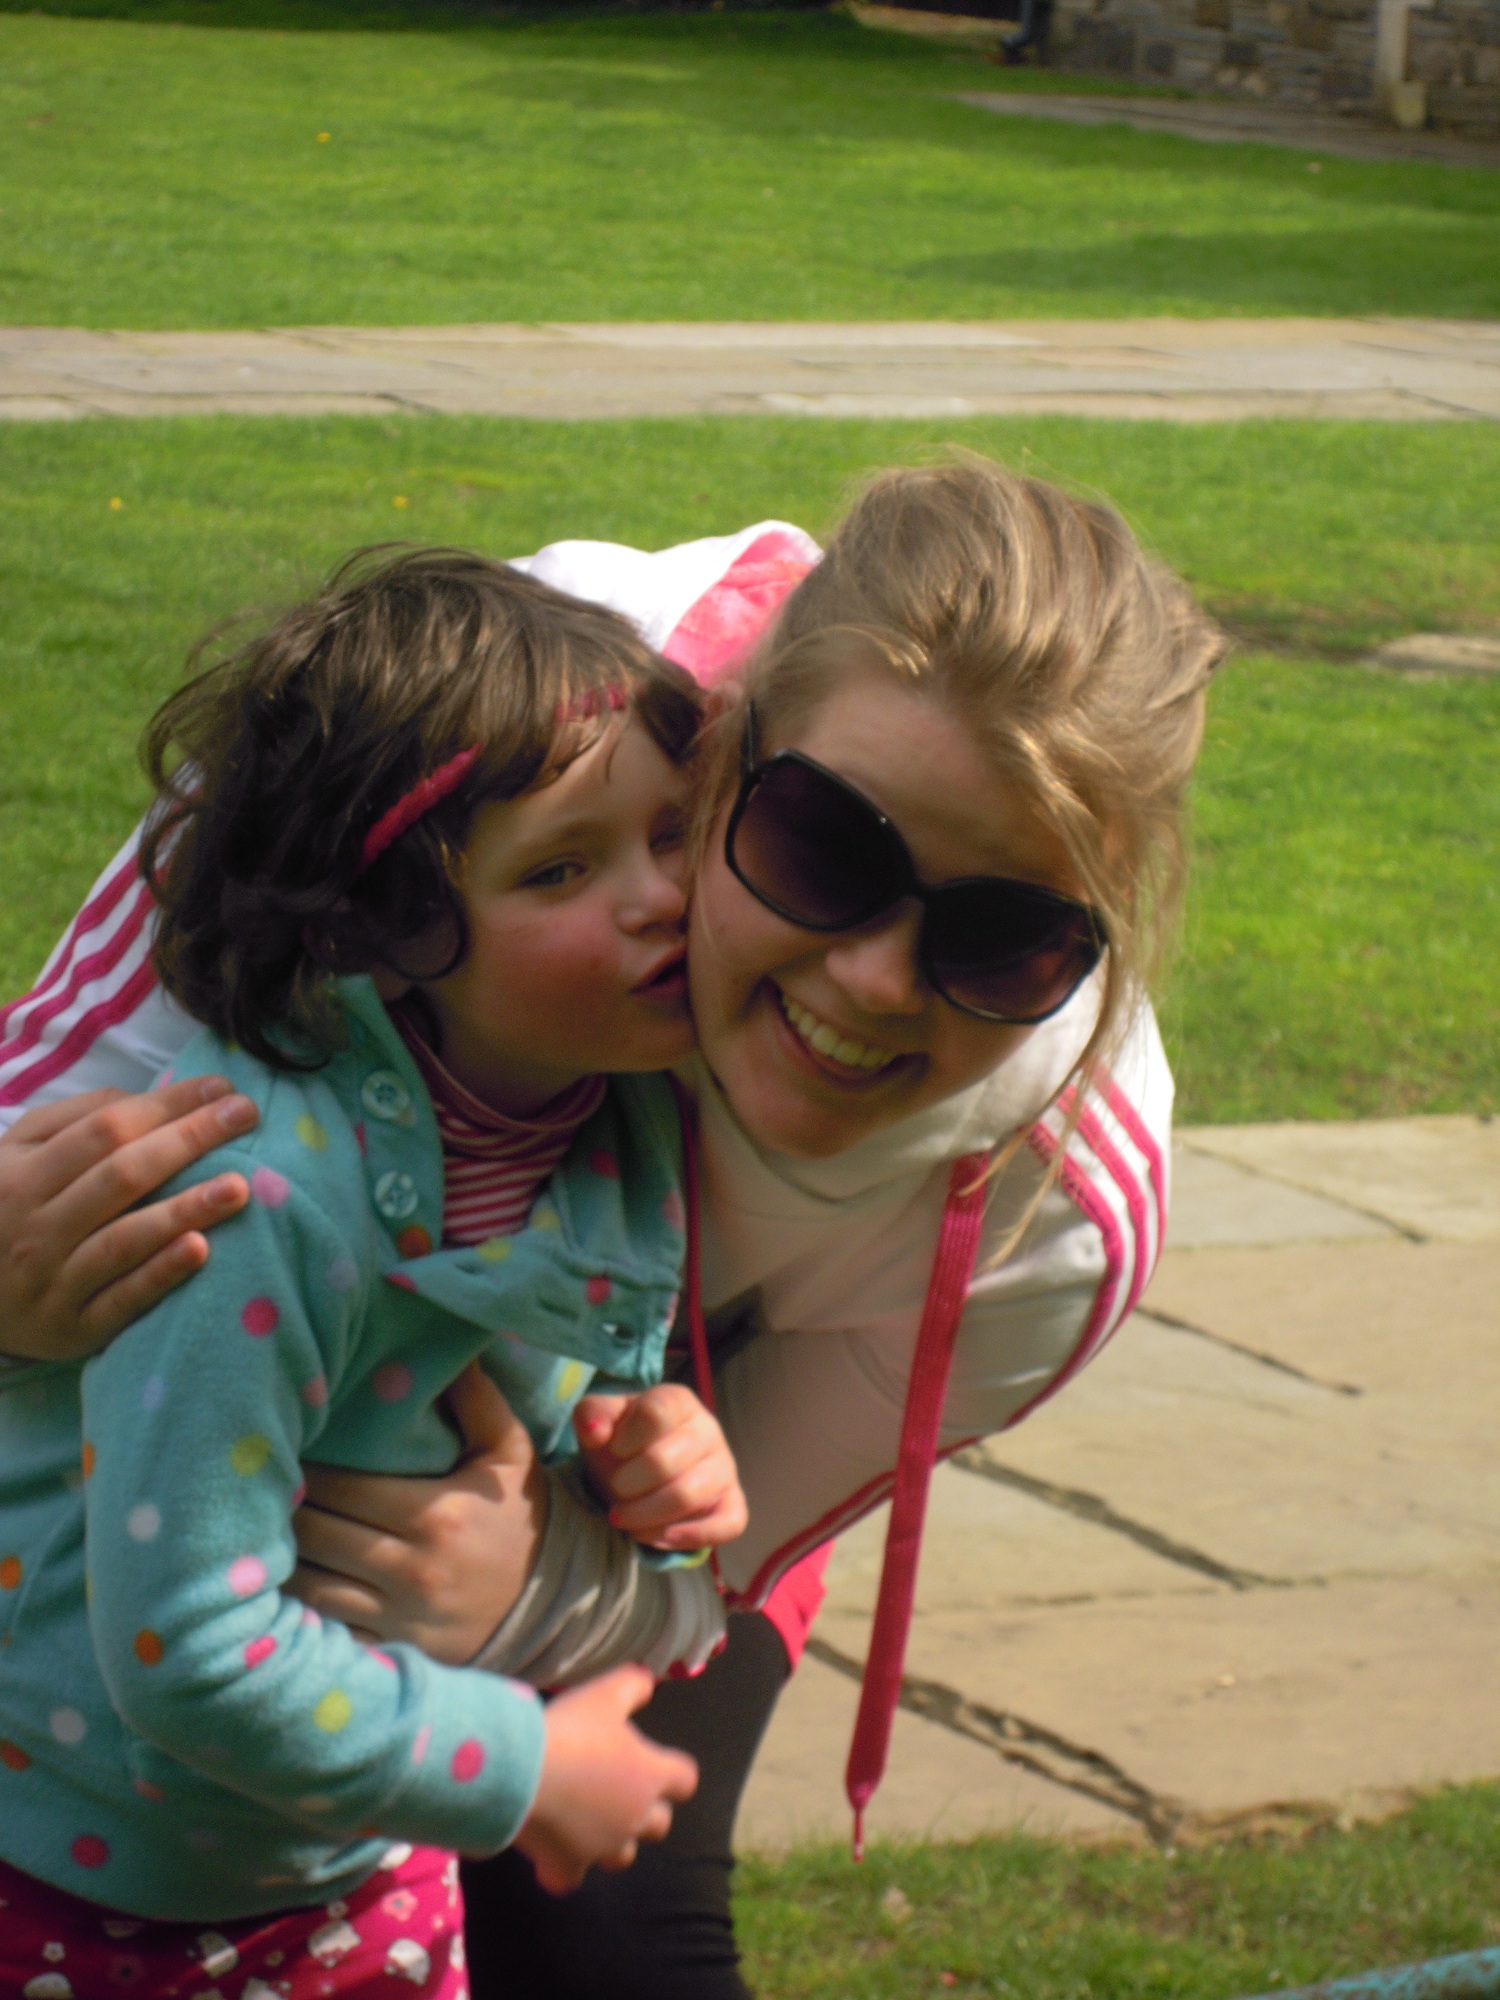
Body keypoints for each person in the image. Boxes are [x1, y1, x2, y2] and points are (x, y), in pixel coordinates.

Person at [0, 459, 1226, 1999]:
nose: (873, 981)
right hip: (131, 1558)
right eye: (825, 847)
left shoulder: (1060, 1214)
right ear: (718, 749)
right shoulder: (467, 721)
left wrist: (540, 1587)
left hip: (587, 1469)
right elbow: (59, 1123)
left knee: (608, 1940)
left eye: (1006, 938)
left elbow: (712, 1561)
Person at [0, 548, 762, 1994]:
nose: (661, 898)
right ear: (381, 929)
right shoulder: (265, 1200)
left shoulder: (619, 1118)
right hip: (75, 1876)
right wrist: (521, 1768)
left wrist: (660, 1463)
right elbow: (186, 1647)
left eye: (676, 833)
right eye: (563, 866)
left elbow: (580, 1411)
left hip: (348, 1864)